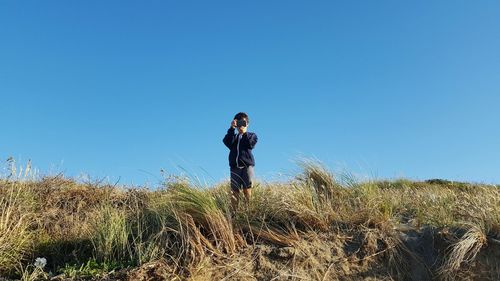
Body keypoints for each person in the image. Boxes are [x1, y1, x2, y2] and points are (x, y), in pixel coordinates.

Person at [222, 112, 258, 211]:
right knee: (234, 191)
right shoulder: (234, 137)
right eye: (239, 123)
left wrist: (244, 133)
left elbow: (250, 144)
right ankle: (234, 212)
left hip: (247, 166)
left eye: (243, 123)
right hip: (234, 167)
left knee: (247, 189)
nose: (240, 126)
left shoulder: (252, 135)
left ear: (247, 124)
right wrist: (231, 129)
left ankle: (249, 211)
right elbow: (226, 141)